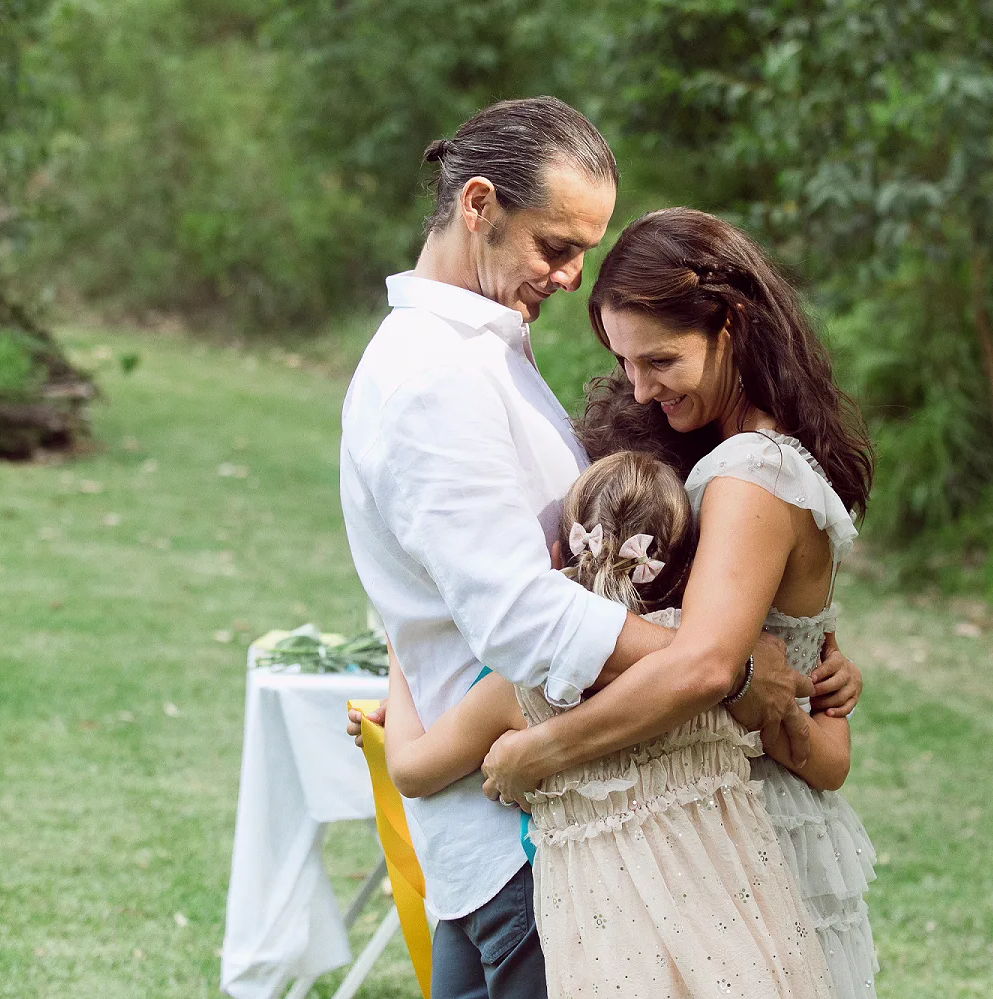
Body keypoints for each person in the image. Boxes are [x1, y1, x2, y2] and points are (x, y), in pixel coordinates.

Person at [339, 99, 843, 999]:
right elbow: (523, 619)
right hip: (523, 842)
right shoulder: (433, 377)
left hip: (544, 819)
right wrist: (720, 664)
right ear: (479, 205)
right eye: (557, 245)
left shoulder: (484, 351)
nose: (573, 275)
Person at [479, 207, 882, 997]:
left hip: (742, 830)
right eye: (625, 363)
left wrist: (540, 753)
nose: (640, 386)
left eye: (659, 359)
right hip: (705, 814)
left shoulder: (748, 474)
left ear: (731, 325)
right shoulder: (743, 459)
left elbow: (705, 665)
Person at [382, 450, 840, 997]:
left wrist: (401, 651)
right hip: (733, 927)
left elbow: (411, 770)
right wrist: (831, 685)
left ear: (556, 557)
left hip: (608, 945)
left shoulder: (524, 690)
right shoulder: (715, 673)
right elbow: (820, 756)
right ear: (692, 571)